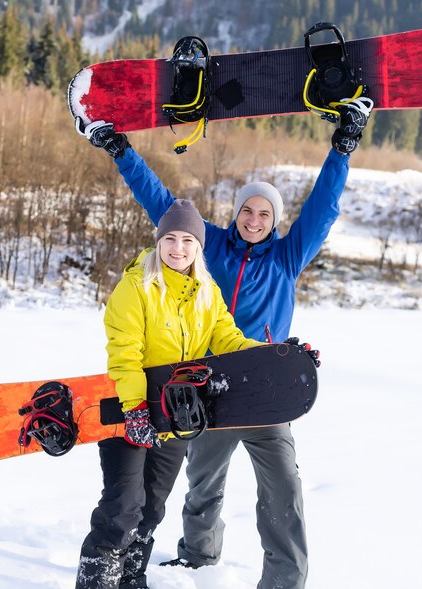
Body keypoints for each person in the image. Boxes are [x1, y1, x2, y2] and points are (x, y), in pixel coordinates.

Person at [76, 97, 371, 589]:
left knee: (282, 490)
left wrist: (343, 146)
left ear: (274, 220)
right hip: (206, 389)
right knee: (201, 484)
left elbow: (324, 207)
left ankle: (284, 580)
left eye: (264, 213)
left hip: (266, 392)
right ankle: (197, 557)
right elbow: (162, 204)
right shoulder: (206, 245)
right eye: (246, 211)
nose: (254, 220)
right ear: (235, 214)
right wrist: (121, 150)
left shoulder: (286, 257)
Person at [76, 199, 264, 589]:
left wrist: (271, 357)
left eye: (187, 240)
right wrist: (135, 409)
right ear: (158, 241)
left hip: (175, 415)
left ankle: (130, 579)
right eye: (170, 239)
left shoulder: (207, 291)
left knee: (152, 507)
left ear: (199, 247)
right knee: (123, 506)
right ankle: (97, 582)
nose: (177, 248)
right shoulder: (136, 287)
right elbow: (125, 354)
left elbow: (226, 338)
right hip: (127, 412)